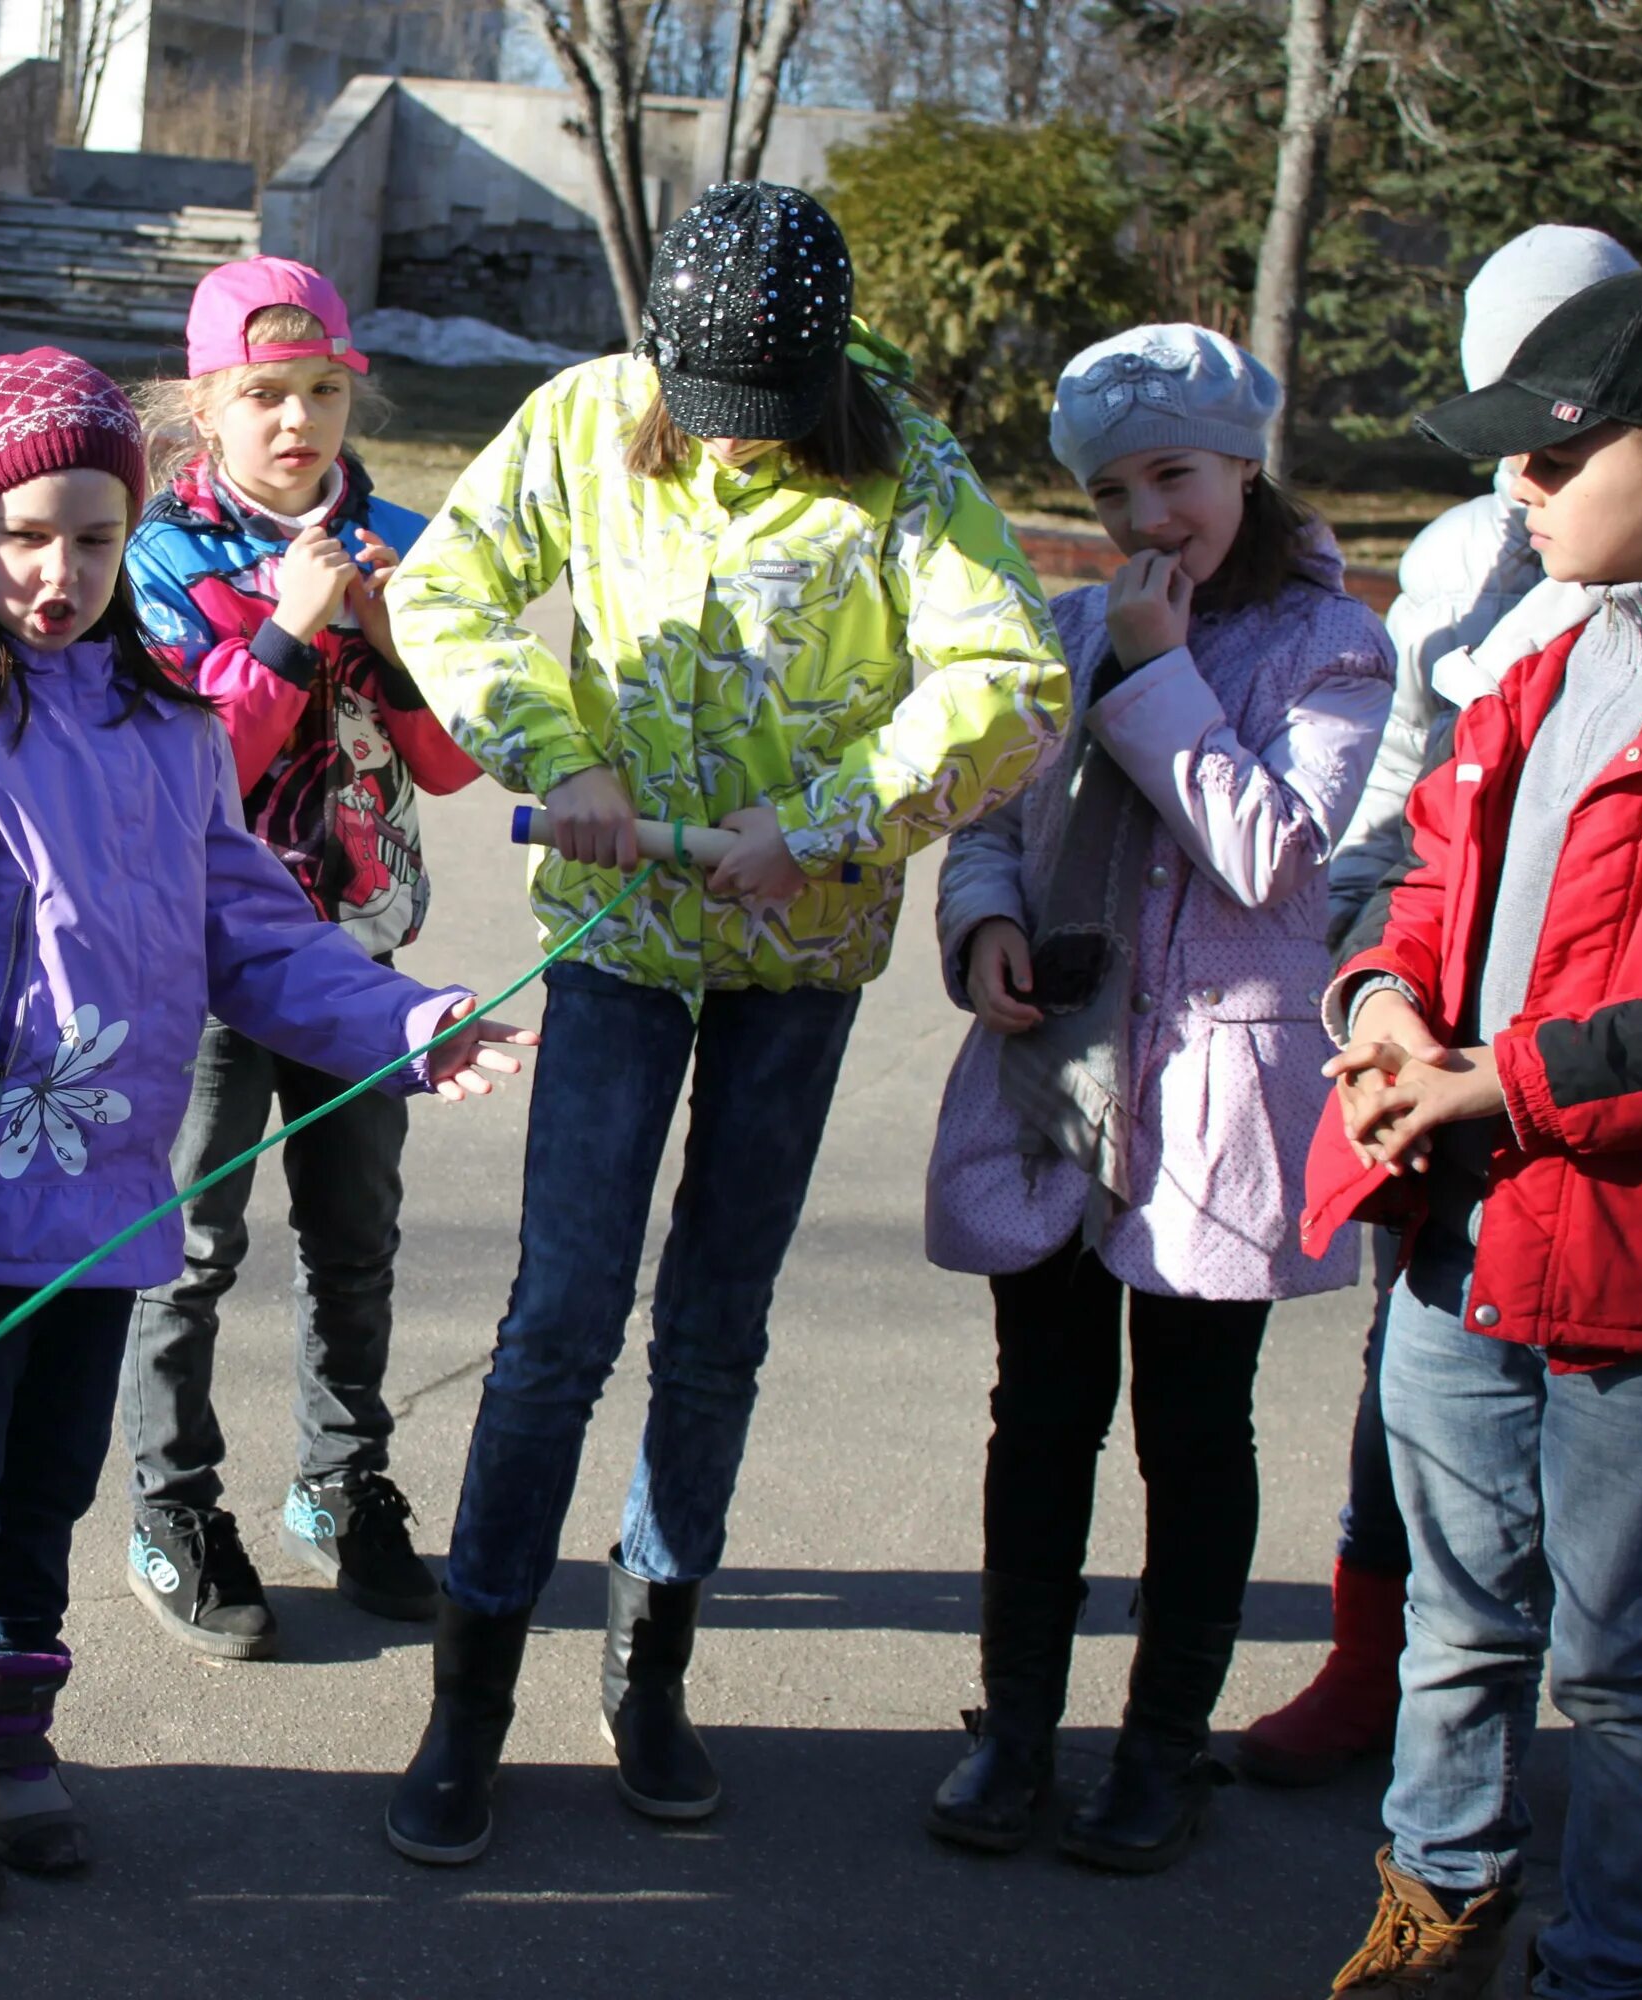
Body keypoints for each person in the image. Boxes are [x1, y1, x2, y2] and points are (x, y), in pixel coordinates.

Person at [0, 348, 531, 1917]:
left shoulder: (171, 726)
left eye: (94, 539)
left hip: (108, 1205)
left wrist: (405, 1025)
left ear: (133, 536)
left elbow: (258, 934)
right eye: (21, 537)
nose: (55, 575)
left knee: (49, 1484)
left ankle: (14, 1731)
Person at [381, 181, 1070, 1865]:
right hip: (620, 943)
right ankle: (467, 1697)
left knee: (716, 1324)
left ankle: (653, 1656)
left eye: (763, 416)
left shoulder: (904, 457)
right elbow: (446, 593)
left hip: (799, 959)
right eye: (707, 408)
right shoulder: (584, 419)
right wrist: (566, 755)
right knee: (559, 1322)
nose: (731, 439)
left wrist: (831, 819)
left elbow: (1010, 680)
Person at [920, 326, 1394, 1871]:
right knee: (1039, 1418)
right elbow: (991, 810)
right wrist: (981, 921)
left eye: (1174, 476)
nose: (1144, 522)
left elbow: (1270, 850)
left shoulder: (1334, 644)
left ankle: (1161, 1747)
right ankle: (1013, 1727)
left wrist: (1159, 671)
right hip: (1058, 1071)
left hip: (1212, 1097)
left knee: (1193, 1430)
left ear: (1247, 462)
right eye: (1115, 491)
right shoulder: (1069, 629)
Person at [1307, 260, 1642, 2000]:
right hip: (1460, 1254)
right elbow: (1421, 878)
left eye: (1553, 458)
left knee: (1627, 1675)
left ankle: (1616, 1968)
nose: (1516, 489)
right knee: (1455, 1629)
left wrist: (1504, 1085)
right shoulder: (1535, 666)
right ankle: (1437, 1911)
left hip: (1640, 1292)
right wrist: (1383, 1007)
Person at [1239, 224, 1637, 1790]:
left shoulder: (1624, 588)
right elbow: (1407, 797)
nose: (1522, 475)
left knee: (1617, 1470)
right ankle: (1376, 1673)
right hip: (1444, 1025)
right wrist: (1373, 991)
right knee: (1416, 1377)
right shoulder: (1473, 556)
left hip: (1597, 1076)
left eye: (1554, 425)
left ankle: (1611, 1815)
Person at [117, 257, 482, 1657]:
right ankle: (171, 1504)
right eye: (263, 395)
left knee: (354, 1244)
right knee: (188, 1245)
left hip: (365, 957)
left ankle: (342, 1484)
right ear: (202, 404)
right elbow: (187, 776)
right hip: (205, 963)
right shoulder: (155, 559)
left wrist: (388, 633)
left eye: (322, 392)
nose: (297, 423)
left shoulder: (405, 539)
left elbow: (450, 767)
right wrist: (289, 625)